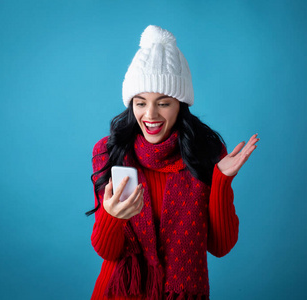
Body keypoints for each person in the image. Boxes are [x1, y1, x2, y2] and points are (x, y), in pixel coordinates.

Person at [87, 25, 259, 300]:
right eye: (140, 103)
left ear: (181, 104)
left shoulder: (207, 152)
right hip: (119, 292)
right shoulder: (109, 152)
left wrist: (221, 182)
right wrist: (113, 217)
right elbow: (107, 251)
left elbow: (221, 246)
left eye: (163, 103)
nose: (150, 114)